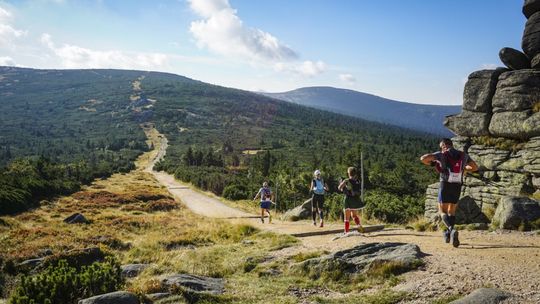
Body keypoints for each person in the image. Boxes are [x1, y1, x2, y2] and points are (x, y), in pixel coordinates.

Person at [420, 138, 478, 247]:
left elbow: (423, 158)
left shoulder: (442, 154)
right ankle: (448, 233)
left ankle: (451, 230)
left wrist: (433, 163)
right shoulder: (463, 155)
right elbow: (474, 167)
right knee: (452, 210)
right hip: (457, 185)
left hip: (445, 184)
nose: (441, 148)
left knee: (442, 210)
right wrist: (463, 169)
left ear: (444, 146)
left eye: (441, 147)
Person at [338, 167, 365, 233]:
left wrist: (343, 185)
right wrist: (352, 192)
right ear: (355, 173)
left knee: (346, 217)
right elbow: (358, 192)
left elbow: (339, 188)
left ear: (348, 173)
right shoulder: (357, 181)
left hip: (348, 200)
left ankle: (346, 231)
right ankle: (359, 225)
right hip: (355, 200)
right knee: (354, 215)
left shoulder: (346, 181)